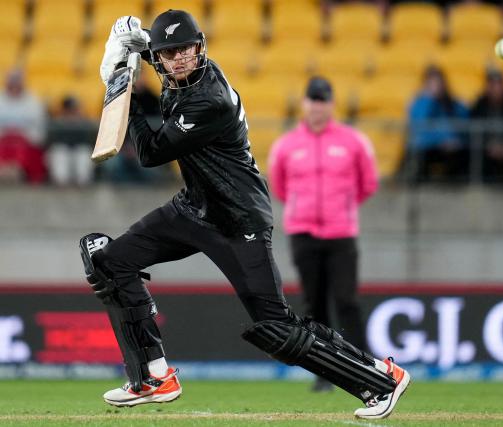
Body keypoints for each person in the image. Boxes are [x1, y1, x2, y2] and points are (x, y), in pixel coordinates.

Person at [78, 11, 409, 420]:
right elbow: (156, 48)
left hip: (239, 222)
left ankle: (381, 379)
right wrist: (134, 39)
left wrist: (121, 86)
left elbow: (149, 153)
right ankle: (152, 376)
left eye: (186, 50)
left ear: (201, 49)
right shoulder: (180, 69)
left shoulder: (208, 100)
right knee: (108, 262)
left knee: (276, 328)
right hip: (194, 209)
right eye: (168, 53)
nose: (178, 59)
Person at [268, 77, 378, 392]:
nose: (318, 106)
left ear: (331, 104)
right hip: (303, 233)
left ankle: (363, 368)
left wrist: (340, 208)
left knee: (347, 300)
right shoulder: (287, 145)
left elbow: (367, 183)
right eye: (313, 100)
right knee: (314, 306)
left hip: (341, 233)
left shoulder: (352, 141)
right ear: (305, 104)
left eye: (323, 100)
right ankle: (324, 374)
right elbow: (280, 186)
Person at [405, 65, 469, 183]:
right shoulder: (419, 103)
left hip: (450, 148)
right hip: (427, 147)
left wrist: (453, 140)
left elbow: (463, 123)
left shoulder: (452, 103)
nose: (437, 86)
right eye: (432, 83)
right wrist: (441, 141)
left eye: (439, 83)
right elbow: (419, 129)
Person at [470, 68, 503, 183]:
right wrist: (488, 145)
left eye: (499, 84)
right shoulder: (479, 105)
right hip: (486, 149)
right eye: (493, 85)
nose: (497, 89)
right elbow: (473, 131)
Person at [0, 69, 47, 183]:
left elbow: (38, 127)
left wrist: (21, 134)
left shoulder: (33, 101)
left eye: (17, 82)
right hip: (3, 139)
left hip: (26, 141)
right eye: (12, 82)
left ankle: (20, 170)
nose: (15, 85)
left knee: (23, 149)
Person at [47, 96, 96, 186]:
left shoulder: (85, 122)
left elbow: (91, 140)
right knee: (59, 152)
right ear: (64, 110)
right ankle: (61, 185)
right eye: (70, 109)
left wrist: (78, 122)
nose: (73, 112)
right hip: (63, 152)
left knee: (84, 152)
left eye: (74, 109)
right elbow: (49, 142)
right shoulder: (57, 122)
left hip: (79, 152)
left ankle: (82, 185)